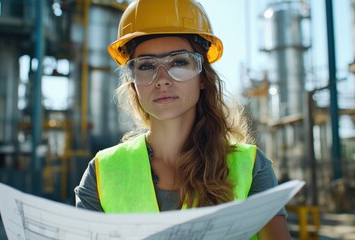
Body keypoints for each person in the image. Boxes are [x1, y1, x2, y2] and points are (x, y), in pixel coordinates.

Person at [74, 0, 291, 239]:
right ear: (134, 85)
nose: (162, 79)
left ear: (202, 78)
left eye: (179, 62)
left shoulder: (250, 167)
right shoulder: (102, 172)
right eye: (146, 66)